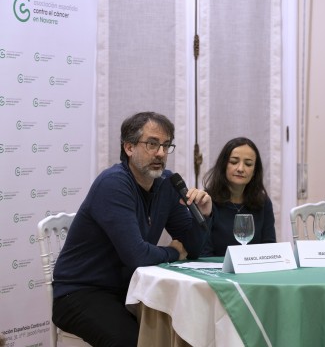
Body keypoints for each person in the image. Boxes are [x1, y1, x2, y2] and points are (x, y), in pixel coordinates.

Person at [52, 112, 212, 346]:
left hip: (130, 291)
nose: (160, 153)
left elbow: (194, 248)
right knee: (134, 341)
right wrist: (174, 252)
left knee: (188, 331)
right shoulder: (113, 184)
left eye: (166, 145)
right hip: (80, 293)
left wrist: (204, 215)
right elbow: (136, 256)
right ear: (128, 147)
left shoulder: (167, 183)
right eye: (152, 144)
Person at [201, 137, 276, 256]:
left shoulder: (263, 202)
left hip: (253, 271)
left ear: (255, 171)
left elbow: (269, 248)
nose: (240, 169)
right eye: (234, 162)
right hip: (216, 271)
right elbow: (203, 253)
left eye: (248, 164)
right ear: (223, 165)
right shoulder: (206, 201)